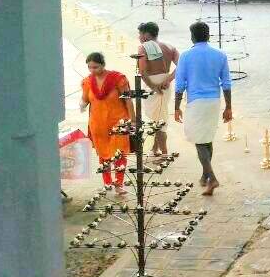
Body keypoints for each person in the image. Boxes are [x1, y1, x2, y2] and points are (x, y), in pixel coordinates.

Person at [173, 22, 232, 196]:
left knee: (199, 141)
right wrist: (228, 107)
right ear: (208, 36)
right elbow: (226, 83)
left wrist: (176, 107)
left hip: (196, 102)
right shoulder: (220, 55)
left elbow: (180, 85)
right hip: (214, 101)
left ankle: (212, 178)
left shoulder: (186, 56)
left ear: (192, 36)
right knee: (207, 139)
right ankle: (205, 175)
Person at [80, 52, 132, 195]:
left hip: (118, 122)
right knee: (103, 155)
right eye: (90, 68)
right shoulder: (87, 82)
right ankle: (107, 183)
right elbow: (85, 99)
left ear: (103, 64)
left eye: (95, 67)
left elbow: (128, 100)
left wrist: (133, 120)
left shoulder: (118, 79)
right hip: (98, 124)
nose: (92, 70)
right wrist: (82, 105)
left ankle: (119, 184)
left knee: (119, 153)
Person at [137, 22, 179, 156]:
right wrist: (168, 79)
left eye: (140, 34)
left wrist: (154, 87)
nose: (139, 37)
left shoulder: (143, 47)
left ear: (145, 35)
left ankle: (165, 152)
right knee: (157, 118)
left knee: (159, 120)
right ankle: (155, 148)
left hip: (153, 84)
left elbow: (142, 72)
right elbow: (182, 66)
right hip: (164, 84)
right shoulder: (170, 46)